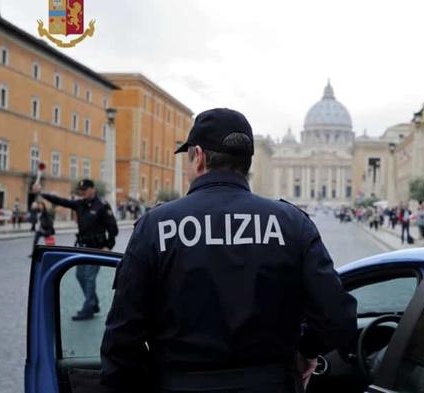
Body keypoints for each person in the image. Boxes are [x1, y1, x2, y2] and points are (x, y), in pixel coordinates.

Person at [100, 108, 357, 393]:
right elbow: (337, 318)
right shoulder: (291, 223)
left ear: (198, 157)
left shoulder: (154, 225)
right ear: (247, 162)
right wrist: (306, 350)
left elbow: (122, 338)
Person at [32, 179, 118, 321]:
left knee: (89, 278)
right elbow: (60, 201)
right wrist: (41, 193)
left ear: (92, 189)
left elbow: (113, 229)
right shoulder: (80, 204)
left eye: (85, 190)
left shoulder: (102, 205)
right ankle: (93, 302)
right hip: (82, 247)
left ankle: (88, 308)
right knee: (80, 276)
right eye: (81, 191)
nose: (83, 193)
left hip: (97, 248)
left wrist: (108, 246)